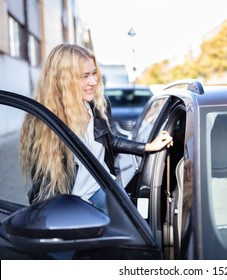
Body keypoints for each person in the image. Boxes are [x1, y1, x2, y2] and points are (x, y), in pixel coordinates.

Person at [20, 43, 173, 210]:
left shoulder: (96, 105)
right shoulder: (44, 121)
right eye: (84, 76)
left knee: (132, 223)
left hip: (101, 186)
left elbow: (108, 140)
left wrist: (148, 146)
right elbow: (45, 184)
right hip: (70, 200)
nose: (93, 81)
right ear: (63, 79)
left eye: (94, 74)